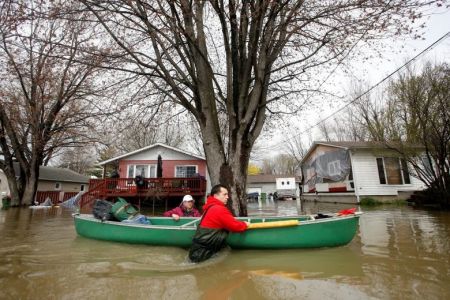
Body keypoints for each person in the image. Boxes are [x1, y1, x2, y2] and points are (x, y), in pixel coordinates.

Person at [188, 184, 249, 263]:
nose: (227, 197)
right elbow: (235, 226)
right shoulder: (219, 209)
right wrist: (245, 224)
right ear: (216, 196)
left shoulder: (210, 207)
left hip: (196, 251)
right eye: (225, 194)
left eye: (227, 194)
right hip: (202, 255)